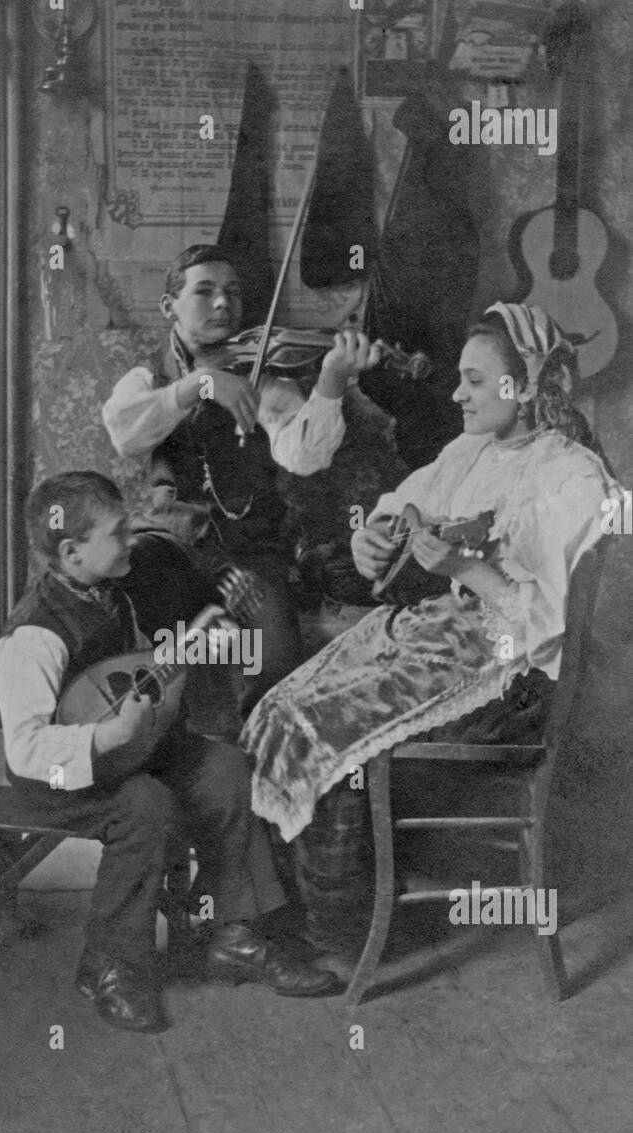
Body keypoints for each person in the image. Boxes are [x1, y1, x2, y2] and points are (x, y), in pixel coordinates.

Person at [241, 303, 620, 952]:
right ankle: (285, 912)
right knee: (278, 708)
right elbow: (404, 503)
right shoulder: (471, 450)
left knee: (326, 732)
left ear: (523, 384)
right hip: (449, 638)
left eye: (473, 381)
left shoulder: (571, 477)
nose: (455, 394)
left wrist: (466, 570)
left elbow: (549, 624)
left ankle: (341, 935)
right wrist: (373, 538)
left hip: (515, 677)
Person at [0, 470, 344, 1034]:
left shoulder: (111, 595)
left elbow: (146, 674)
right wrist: (105, 739)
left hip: (128, 752)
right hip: (61, 777)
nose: (132, 540)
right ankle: (110, 964)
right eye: (118, 532)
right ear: (71, 550)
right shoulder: (32, 637)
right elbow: (26, 748)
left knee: (227, 767)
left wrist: (210, 638)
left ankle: (234, 932)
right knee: (145, 803)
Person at [102, 244, 380, 717]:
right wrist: (199, 385)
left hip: (250, 550)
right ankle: (148, 731)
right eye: (204, 292)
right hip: (175, 546)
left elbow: (304, 456)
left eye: (232, 293)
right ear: (170, 307)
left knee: (274, 669)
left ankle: (244, 760)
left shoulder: (265, 376)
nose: (222, 304)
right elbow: (125, 433)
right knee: (140, 605)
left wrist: (330, 382)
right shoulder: (148, 378)